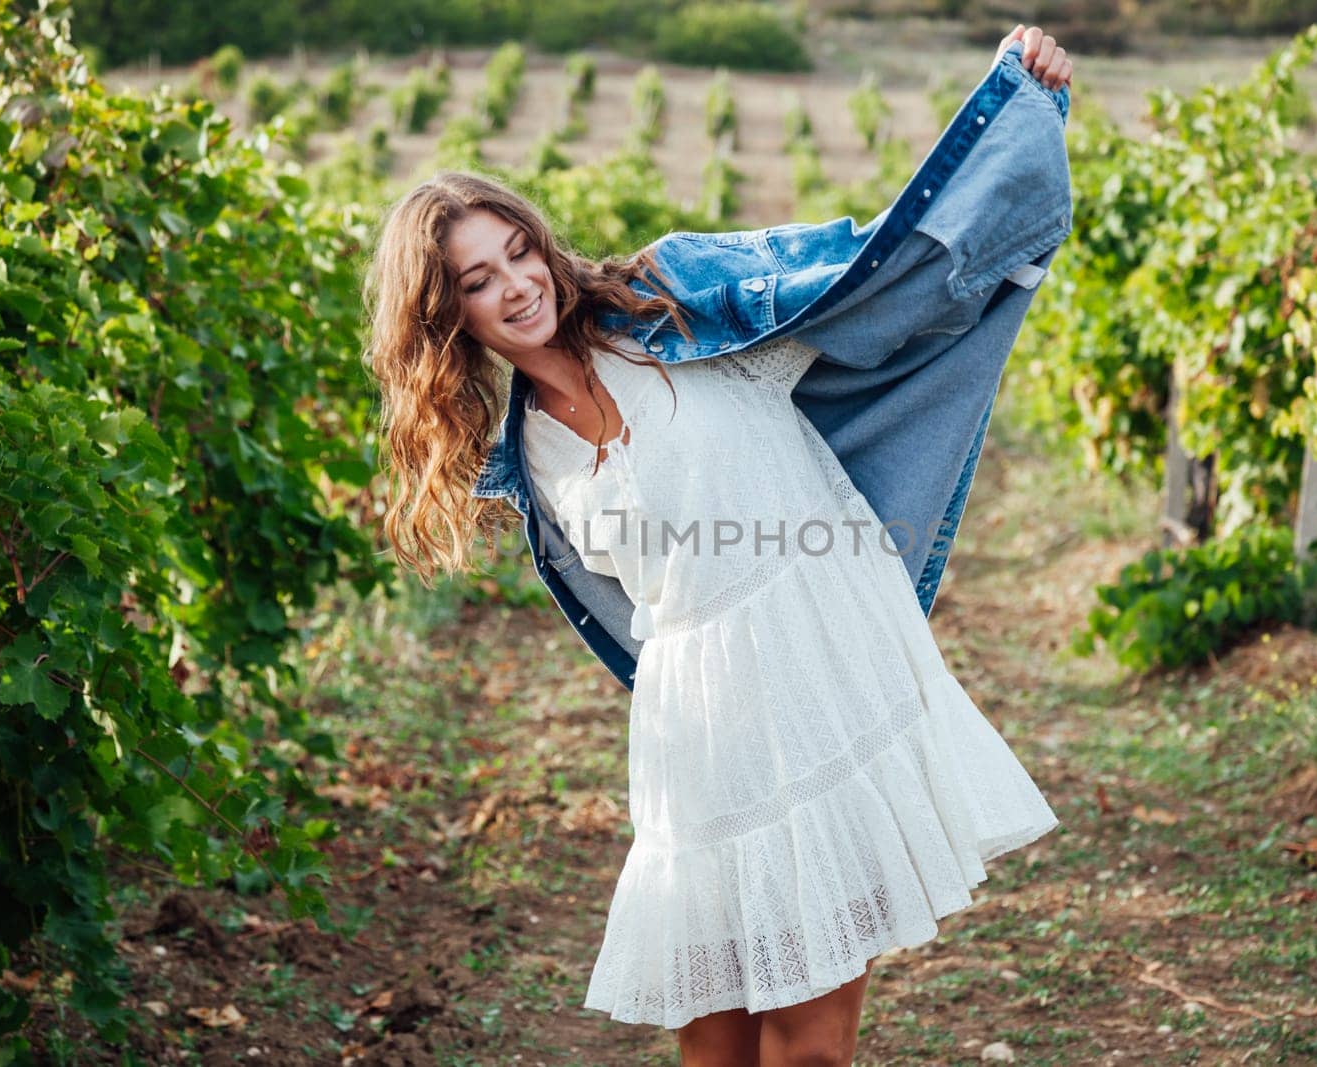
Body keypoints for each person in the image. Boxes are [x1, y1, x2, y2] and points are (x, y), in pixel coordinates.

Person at [362, 24, 1073, 1067]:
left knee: (809, 1047)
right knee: (717, 1047)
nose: (516, 284)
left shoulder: (670, 305)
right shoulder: (531, 460)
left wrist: (1012, 109)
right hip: (696, 737)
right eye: (477, 279)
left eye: (519, 250)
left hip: (824, 677)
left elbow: (868, 267)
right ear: (446, 314)